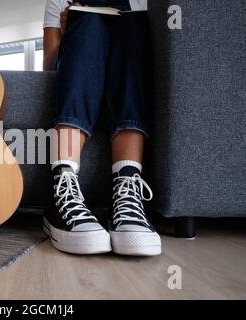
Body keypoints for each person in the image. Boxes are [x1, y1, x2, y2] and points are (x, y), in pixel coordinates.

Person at [43, 0, 161, 256]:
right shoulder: (56, 2)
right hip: (78, 57)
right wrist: (66, 34)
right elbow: (48, 64)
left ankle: (127, 185)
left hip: (124, 61)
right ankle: (62, 181)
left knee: (133, 25)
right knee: (89, 25)